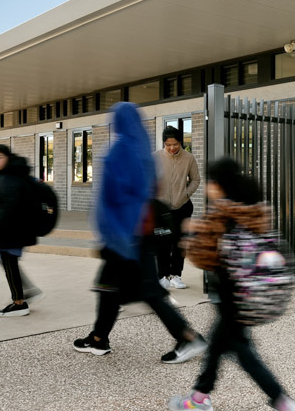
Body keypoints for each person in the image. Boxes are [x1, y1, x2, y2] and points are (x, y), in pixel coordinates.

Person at [168, 157, 295, 411]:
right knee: (218, 343)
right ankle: (200, 396)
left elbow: (201, 256)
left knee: (243, 353)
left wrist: (189, 235)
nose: (207, 187)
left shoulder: (222, 213)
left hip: (233, 295)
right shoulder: (251, 205)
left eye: (210, 182)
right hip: (244, 292)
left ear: (218, 185)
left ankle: (283, 405)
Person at [72, 102, 207, 363]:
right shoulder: (145, 152)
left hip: (123, 235)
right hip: (143, 232)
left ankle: (188, 338)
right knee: (109, 287)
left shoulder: (117, 152)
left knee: (146, 291)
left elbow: (107, 199)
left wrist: (106, 233)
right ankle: (99, 338)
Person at [0, 144, 42, 317]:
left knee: (8, 261)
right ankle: (27, 292)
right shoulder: (13, 173)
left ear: (7, 158)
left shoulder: (6, 178)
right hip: (20, 226)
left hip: (13, 228)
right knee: (8, 261)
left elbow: (9, 208)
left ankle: (19, 303)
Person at [154, 126, 201, 289]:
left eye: (175, 144)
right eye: (168, 145)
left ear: (180, 142)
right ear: (164, 143)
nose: (172, 148)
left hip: (182, 208)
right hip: (161, 210)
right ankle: (163, 276)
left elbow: (196, 179)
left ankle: (176, 275)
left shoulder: (189, 158)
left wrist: (185, 195)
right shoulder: (155, 158)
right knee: (162, 243)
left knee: (180, 242)